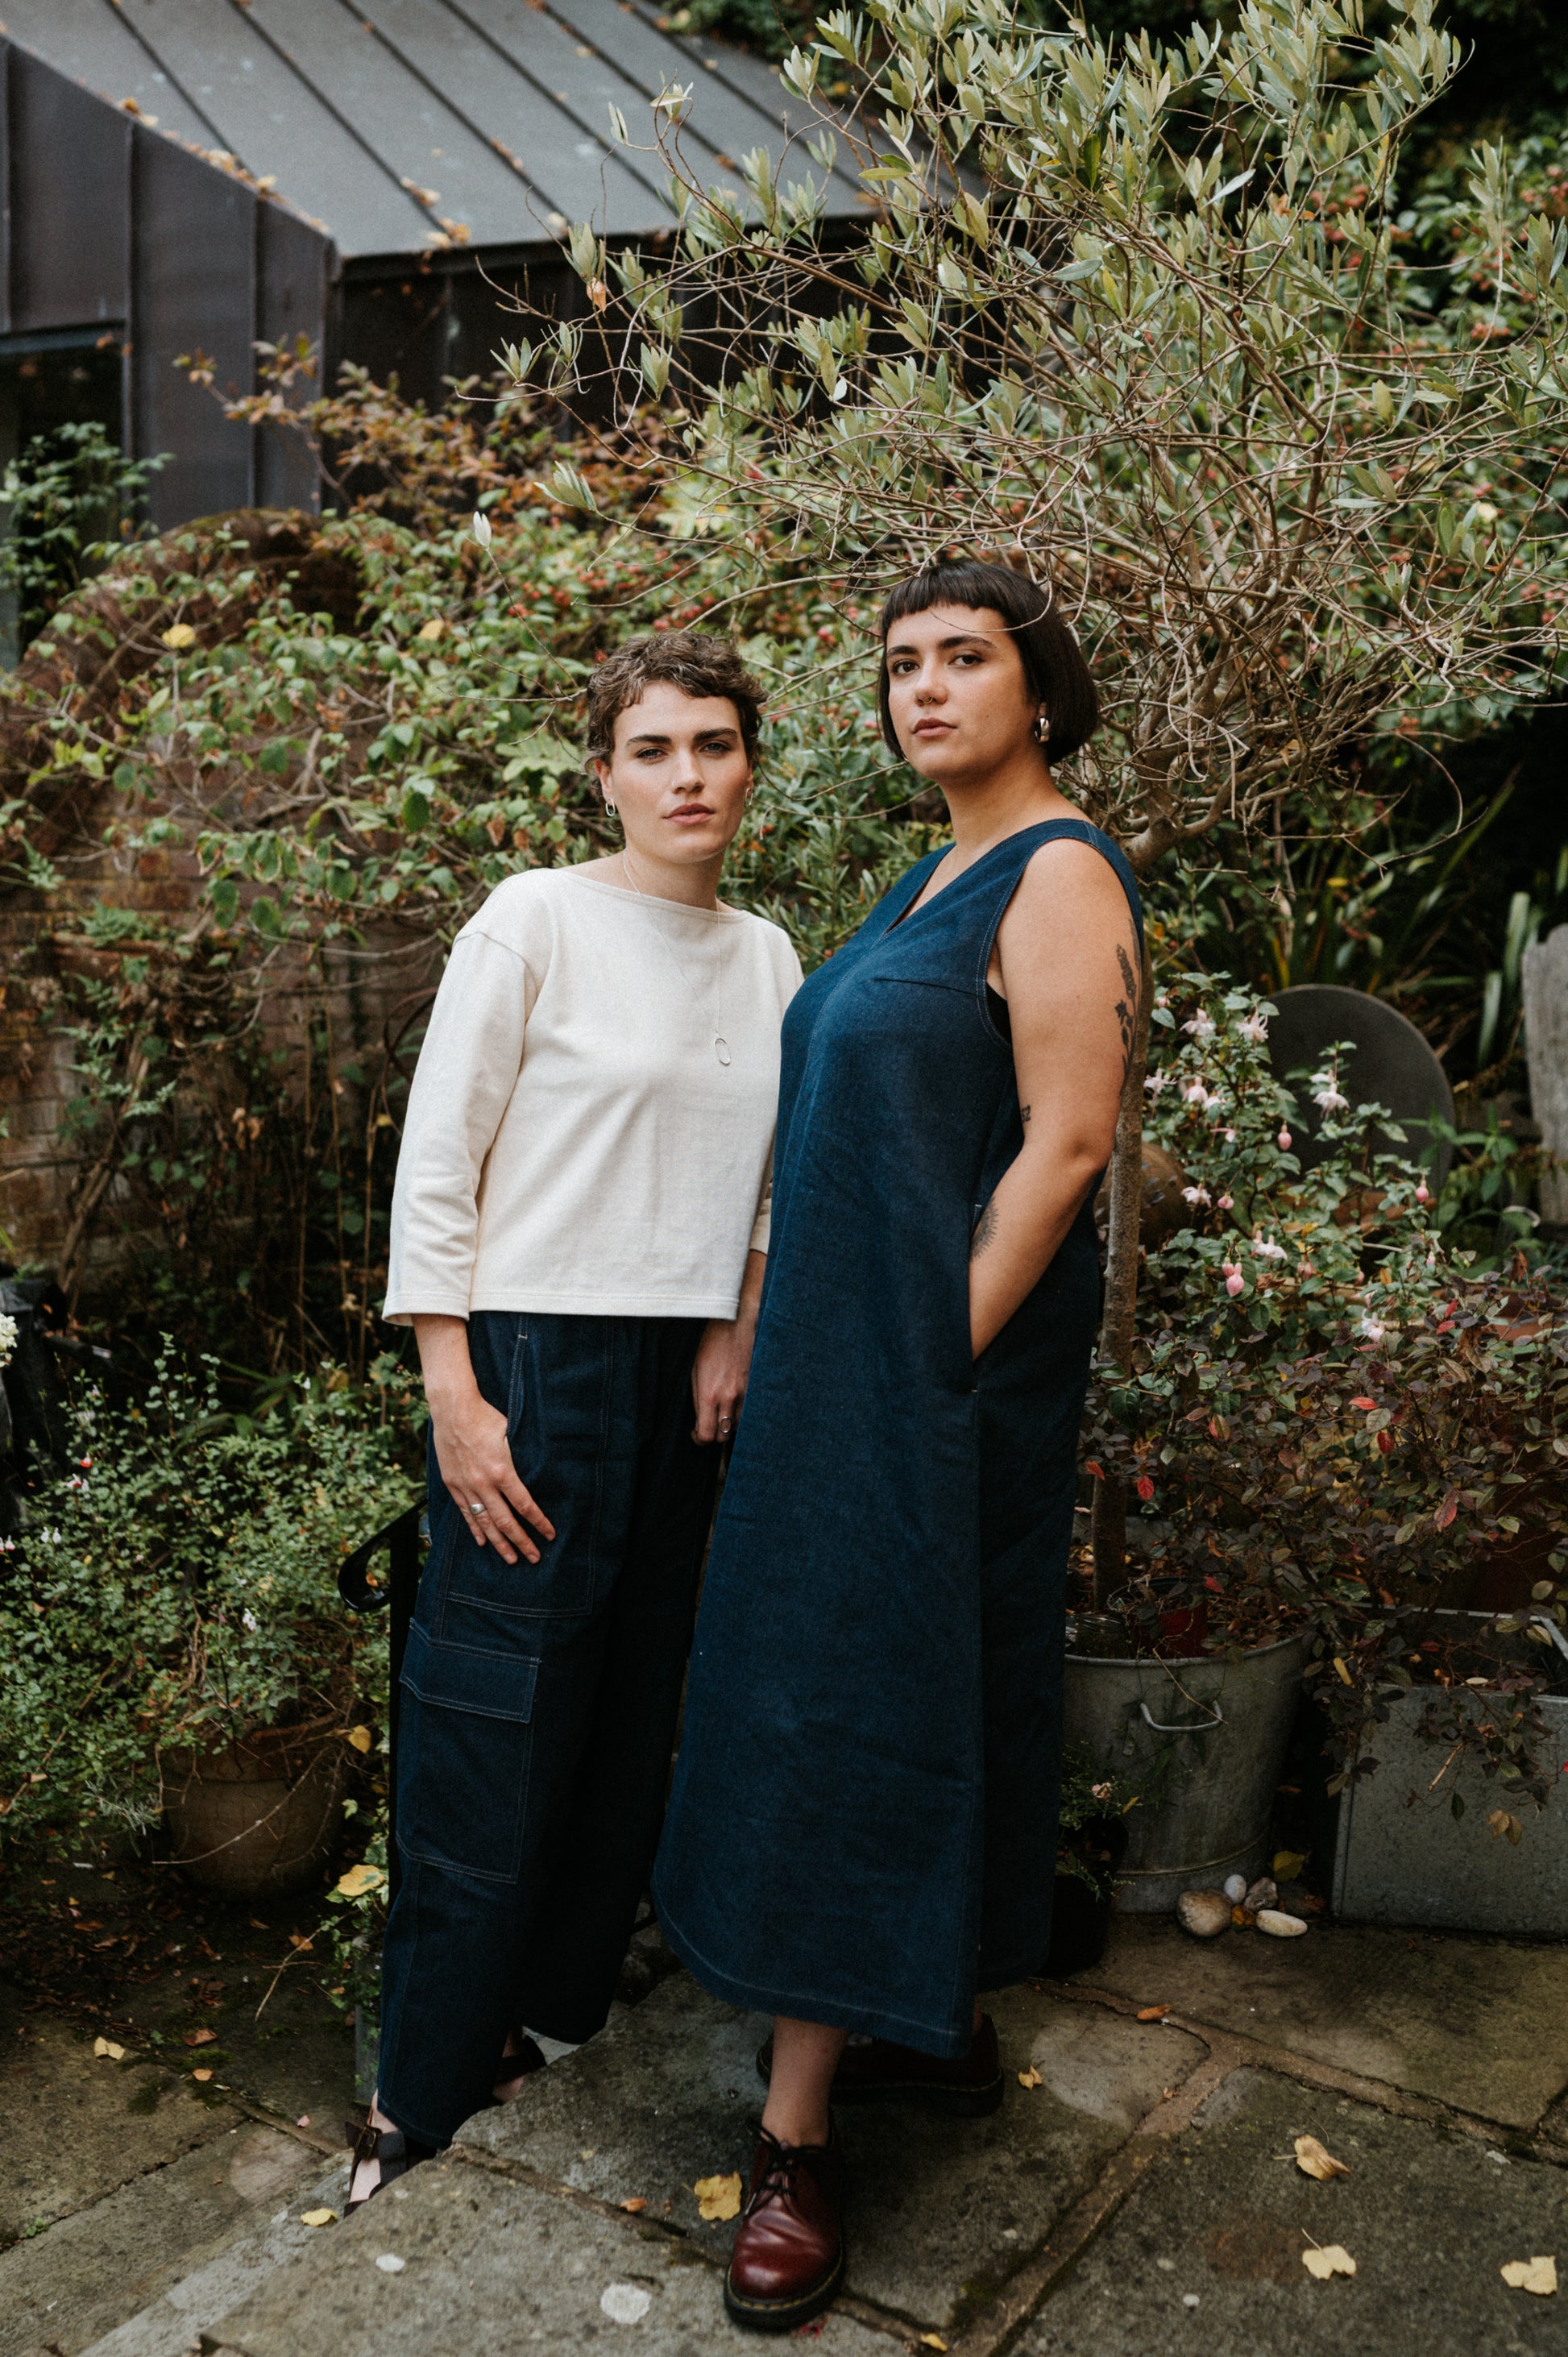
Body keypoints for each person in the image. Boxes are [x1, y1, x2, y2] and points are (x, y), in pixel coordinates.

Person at [653, 560, 1143, 2330]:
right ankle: (928, 2014)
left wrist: (924, 1360)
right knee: (911, 1674)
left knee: (849, 1694)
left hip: (929, 1377)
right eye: (900, 665)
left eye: (964, 657)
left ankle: (794, 2137)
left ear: (1038, 684)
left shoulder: (1058, 870)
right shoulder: (927, 873)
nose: (924, 687)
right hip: (849, 1365)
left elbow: (1067, 1147)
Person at [351, 631, 801, 2206]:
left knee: (625, 1719)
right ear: (603, 771)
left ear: (749, 765)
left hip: (691, 1381)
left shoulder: (767, 954)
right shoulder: (533, 916)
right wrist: (454, 1389)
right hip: (532, 1361)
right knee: (492, 1723)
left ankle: (538, 2024)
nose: (687, 776)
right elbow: (437, 1154)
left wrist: (738, 1322)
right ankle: (415, 2089)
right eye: (654, 749)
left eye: (715, 745)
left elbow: (770, 1173)